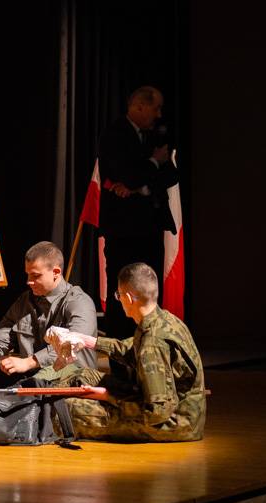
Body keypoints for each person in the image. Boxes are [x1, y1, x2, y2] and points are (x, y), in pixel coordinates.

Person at [0, 263, 206, 442]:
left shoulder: (154, 340)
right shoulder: (163, 321)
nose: (119, 301)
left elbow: (157, 412)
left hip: (172, 423)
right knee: (78, 374)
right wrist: (88, 341)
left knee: (63, 410)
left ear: (129, 297)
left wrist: (107, 396)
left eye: (119, 296)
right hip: (160, 404)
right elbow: (129, 350)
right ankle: (1, 404)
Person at [0, 241, 97, 406]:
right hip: (33, 377)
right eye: (28, 275)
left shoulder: (79, 302)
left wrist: (29, 362)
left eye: (36, 276)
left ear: (56, 272)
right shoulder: (24, 302)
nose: (29, 281)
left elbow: (71, 345)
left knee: (31, 386)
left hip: (70, 378)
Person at [98, 85, 178, 339]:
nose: (159, 114)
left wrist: (139, 185)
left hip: (150, 227)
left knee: (150, 287)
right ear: (139, 107)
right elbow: (126, 174)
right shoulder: (115, 134)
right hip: (124, 230)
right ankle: (121, 349)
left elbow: (171, 175)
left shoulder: (153, 136)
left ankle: (152, 343)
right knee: (122, 287)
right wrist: (152, 163)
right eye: (156, 108)